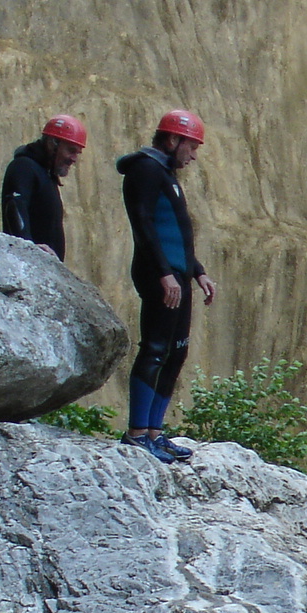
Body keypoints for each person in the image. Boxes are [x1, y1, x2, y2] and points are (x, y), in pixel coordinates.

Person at [115, 110, 215, 465]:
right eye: (191, 146)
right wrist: (164, 274)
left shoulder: (165, 173)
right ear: (173, 140)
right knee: (155, 349)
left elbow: (177, 232)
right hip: (160, 275)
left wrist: (197, 271)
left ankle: (155, 433)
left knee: (177, 352)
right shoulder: (144, 169)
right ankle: (137, 434)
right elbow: (143, 224)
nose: (193, 155)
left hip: (177, 274)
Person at [0, 115, 86, 260]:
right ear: (53, 144)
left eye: (77, 153)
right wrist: (28, 247)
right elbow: (15, 207)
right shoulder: (24, 167)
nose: (74, 159)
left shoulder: (46, 174)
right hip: (27, 266)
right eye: (71, 150)